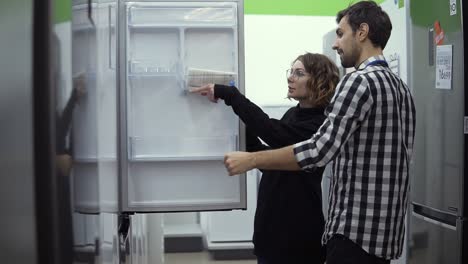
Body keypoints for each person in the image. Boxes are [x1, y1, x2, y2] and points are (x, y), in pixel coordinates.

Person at [220, 1, 416, 264]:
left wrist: (251, 160)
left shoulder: (358, 81)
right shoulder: (400, 88)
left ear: (362, 32)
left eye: (340, 33)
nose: (336, 44)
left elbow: (317, 150)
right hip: (384, 236)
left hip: (353, 234)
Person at [190, 53, 339, 264]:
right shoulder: (293, 114)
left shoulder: (320, 124)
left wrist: (231, 95)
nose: (290, 78)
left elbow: (273, 132)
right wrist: (238, 119)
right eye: (291, 71)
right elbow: (273, 160)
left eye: (299, 73)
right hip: (271, 230)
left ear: (319, 81)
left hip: (298, 235)